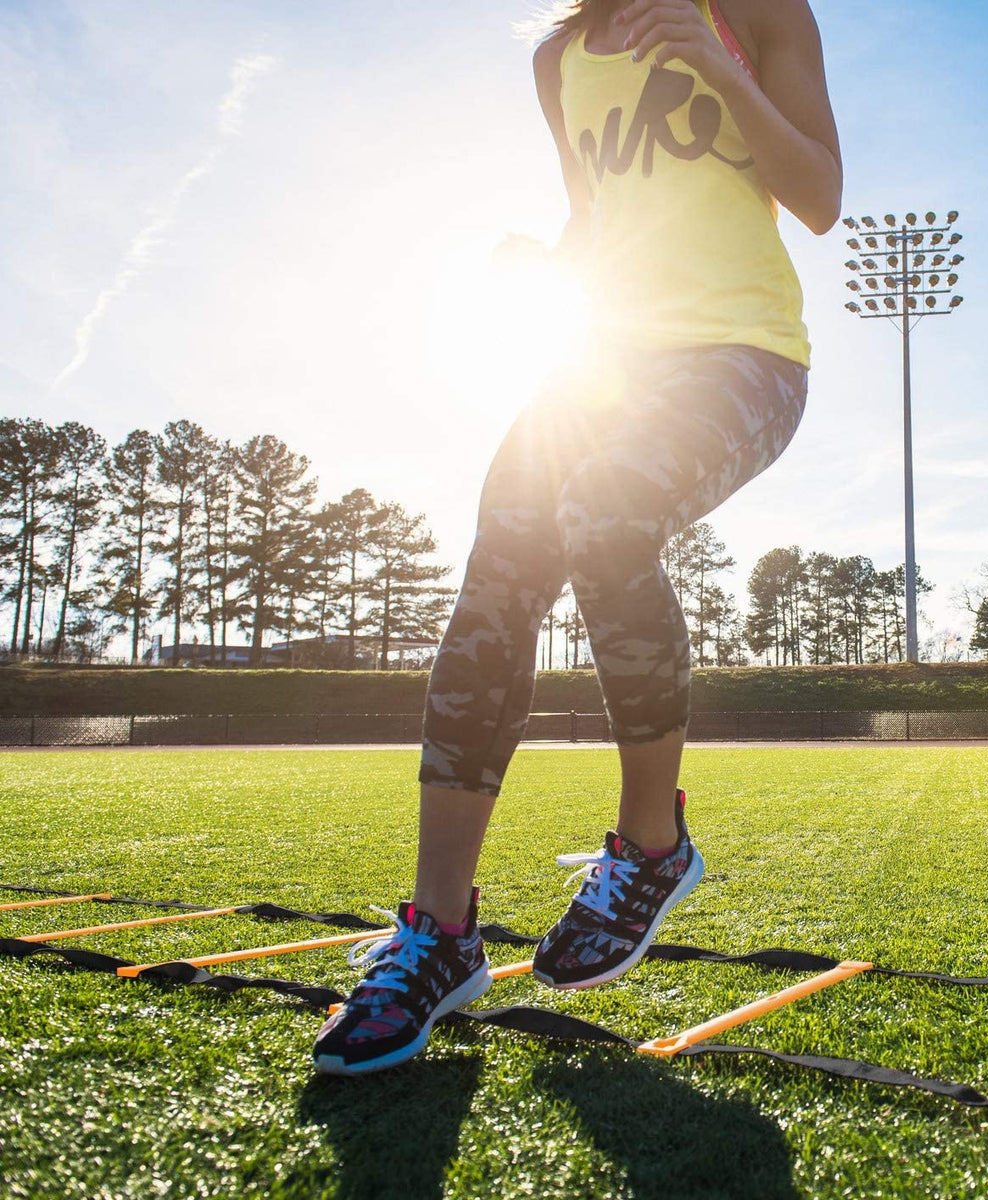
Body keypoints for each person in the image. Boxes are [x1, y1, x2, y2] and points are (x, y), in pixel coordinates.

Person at [314, 0, 841, 1075]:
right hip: (604, 364)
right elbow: (600, 225)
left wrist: (723, 67)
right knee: (492, 593)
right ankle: (440, 938)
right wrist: (552, 272)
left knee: (606, 511)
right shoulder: (558, 61)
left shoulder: (756, 11)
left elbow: (823, 197)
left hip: (742, 357)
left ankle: (653, 845)